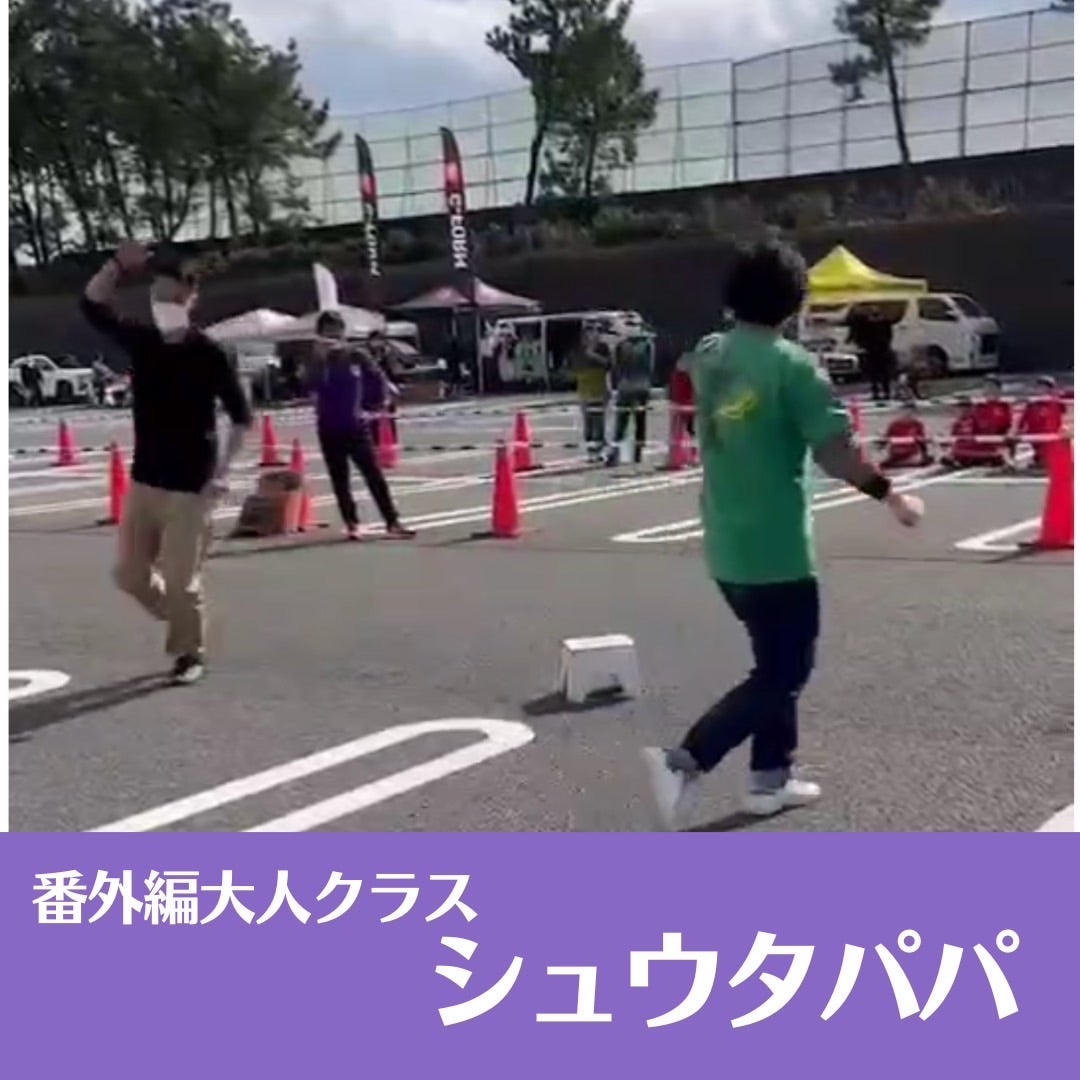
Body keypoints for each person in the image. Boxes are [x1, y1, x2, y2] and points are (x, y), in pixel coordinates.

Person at [641, 241, 923, 830]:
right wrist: (893, 496)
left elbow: (684, 377)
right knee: (784, 672)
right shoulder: (793, 367)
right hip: (777, 549)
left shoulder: (711, 353)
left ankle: (769, 778)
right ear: (794, 301)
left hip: (725, 542)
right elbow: (836, 451)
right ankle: (686, 760)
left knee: (772, 663)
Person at [79, 241, 253, 686]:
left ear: (188, 296)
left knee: (180, 581)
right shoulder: (145, 344)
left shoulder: (209, 353)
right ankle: (182, 618)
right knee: (129, 576)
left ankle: (189, 652)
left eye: (166, 290)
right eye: (153, 290)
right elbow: (92, 306)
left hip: (191, 487)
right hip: (144, 481)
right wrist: (117, 265)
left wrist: (222, 474)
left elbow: (241, 417)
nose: (158, 297)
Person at [307, 311, 415, 542]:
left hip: (356, 425)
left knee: (373, 474)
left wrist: (377, 404)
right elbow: (311, 389)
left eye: (336, 329)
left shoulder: (356, 355)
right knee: (340, 478)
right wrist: (320, 360)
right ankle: (352, 523)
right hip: (328, 427)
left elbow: (378, 377)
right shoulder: (317, 360)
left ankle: (392, 521)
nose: (332, 335)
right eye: (327, 331)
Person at [606, 334, 653, 466]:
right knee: (640, 421)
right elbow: (650, 366)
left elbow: (615, 366)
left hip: (625, 386)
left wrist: (616, 384)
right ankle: (637, 453)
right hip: (641, 385)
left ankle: (616, 453)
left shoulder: (621, 345)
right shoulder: (647, 344)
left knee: (622, 421)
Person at [571, 326, 610, 463]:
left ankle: (600, 450)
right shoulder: (579, 350)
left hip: (599, 389)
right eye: (590, 333)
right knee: (588, 422)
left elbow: (608, 364)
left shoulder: (603, 348)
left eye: (596, 332)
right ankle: (591, 452)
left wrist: (593, 356)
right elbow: (574, 368)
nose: (594, 336)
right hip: (584, 390)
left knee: (599, 422)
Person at [1014, 376, 1067, 469]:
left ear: (1050, 389)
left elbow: (1064, 411)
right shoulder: (1032, 403)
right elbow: (1023, 419)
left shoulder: (1056, 402)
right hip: (1034, 436)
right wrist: (1018, 430)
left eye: (1045, 387)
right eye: (1040, 387)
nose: (1042, 389)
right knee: (1021, 444)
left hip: (1050, 435)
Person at [878, 400, 932, 469]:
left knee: (924, 460)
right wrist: (881, 441)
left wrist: (925, 455)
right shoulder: (894, 424)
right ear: (902, 412)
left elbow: (922, 442)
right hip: (896, 454)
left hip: (911, 454)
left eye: (912, 412)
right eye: (906, 411)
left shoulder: (917, 424)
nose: (909, 414)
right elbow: (886, 439)